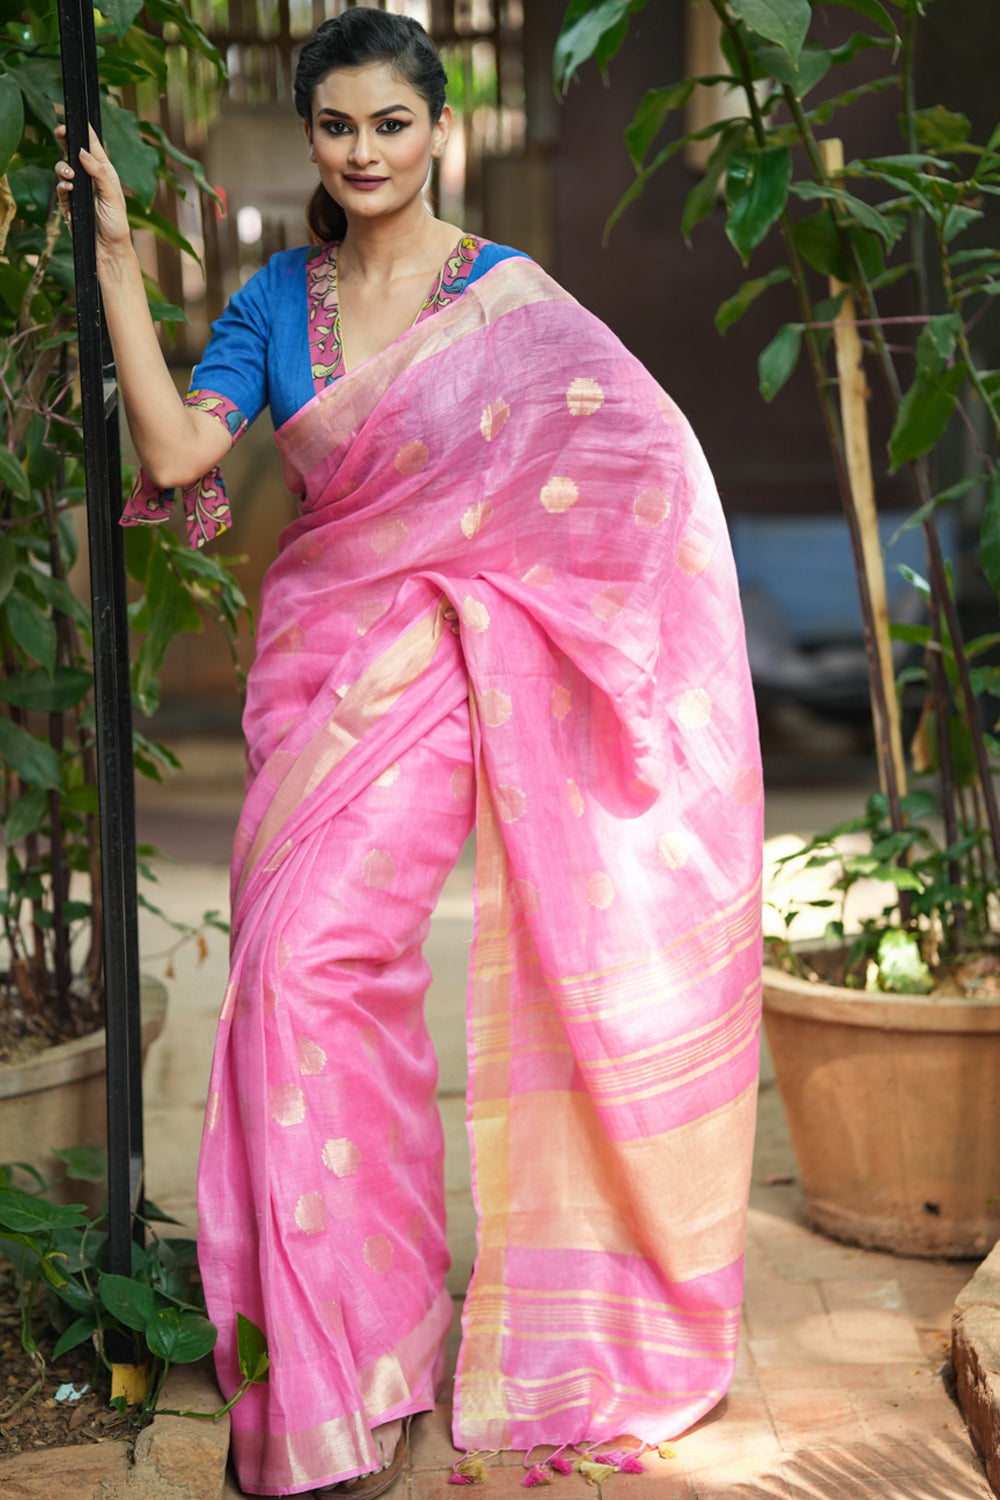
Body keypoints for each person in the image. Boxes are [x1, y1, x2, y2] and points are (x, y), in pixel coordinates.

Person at [57, 9, 763, 1498]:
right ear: (312, 138)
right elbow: (184, 461)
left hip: (440, 677)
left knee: (319, 969)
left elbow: (640, 457)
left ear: (437, 130)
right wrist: (119, 262)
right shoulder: (272, 302)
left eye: (392, 123)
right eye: (338, 127)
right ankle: (351, 1359)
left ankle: (354, 1350)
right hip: (314, 683)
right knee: (300, 991)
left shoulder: (508, 299)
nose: (365, 151)